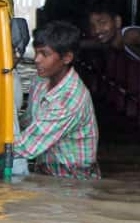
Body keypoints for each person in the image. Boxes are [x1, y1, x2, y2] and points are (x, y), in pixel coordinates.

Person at [16, 20, 100, 179]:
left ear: (67, 57)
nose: (36, 59)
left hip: (73, 181)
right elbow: (28, 120)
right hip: (49, 173)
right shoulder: (40, 79)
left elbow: (25, 147)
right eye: (36, 52)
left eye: (44, 54)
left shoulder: (69, 99)